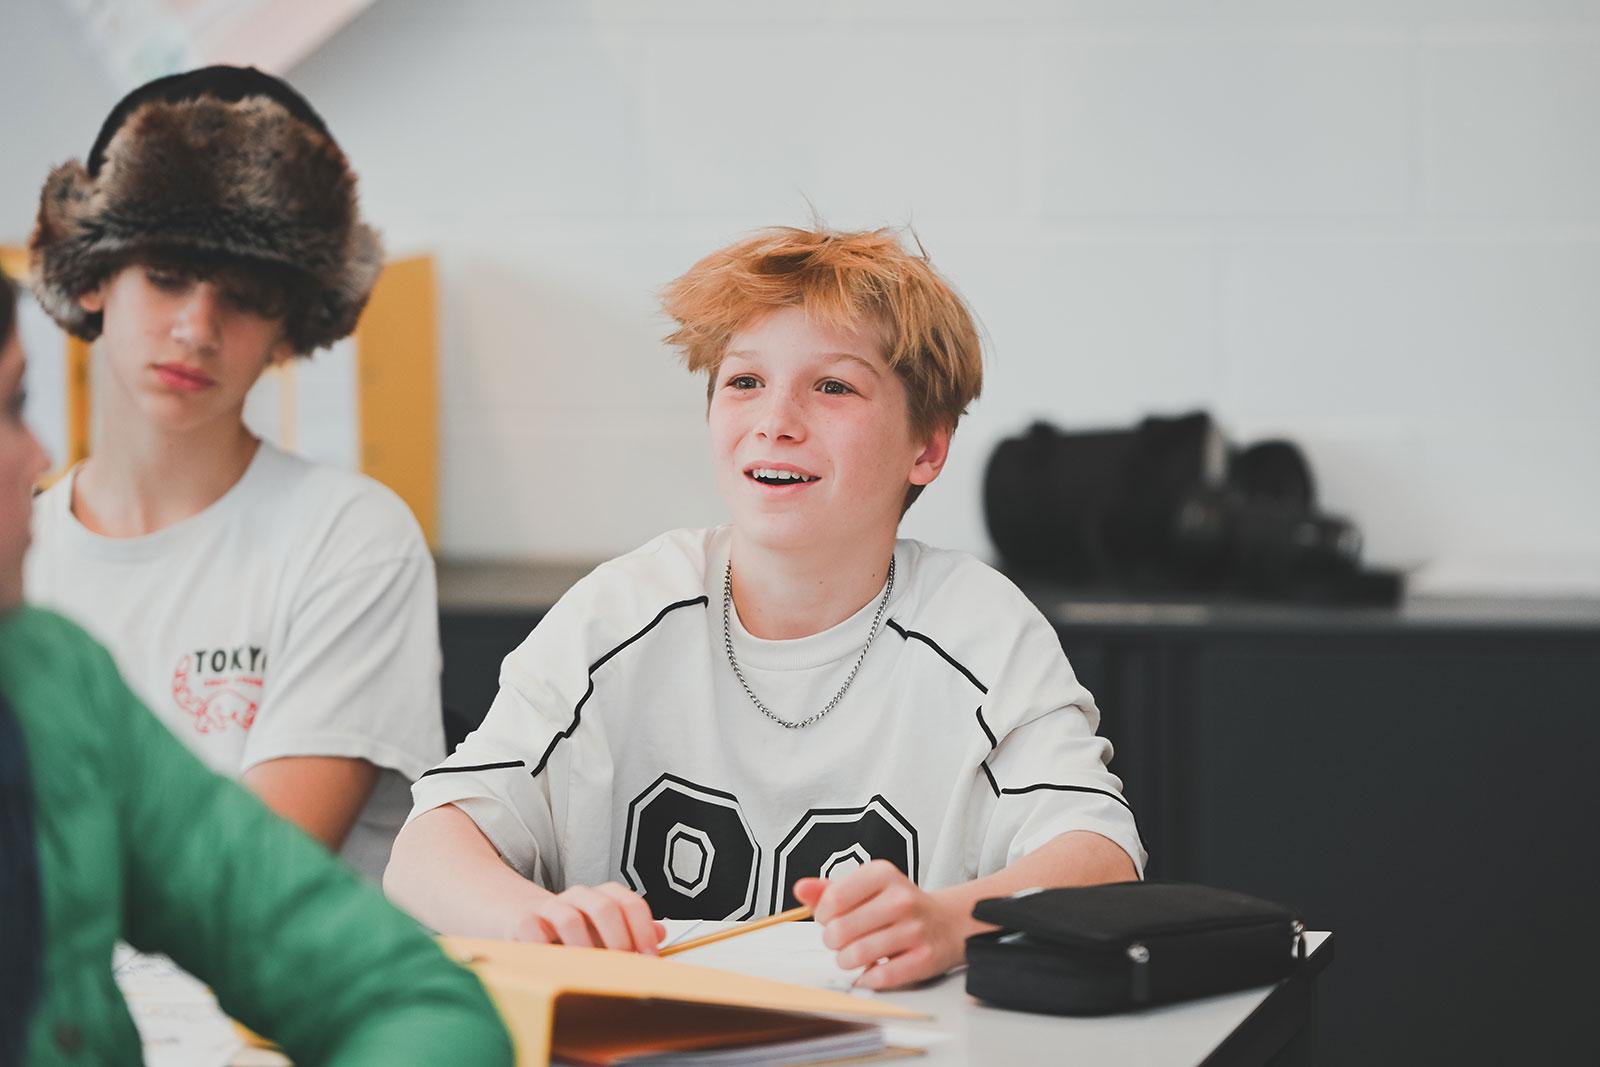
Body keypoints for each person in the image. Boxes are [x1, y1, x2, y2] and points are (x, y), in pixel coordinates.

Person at [386, 226, 1145, 990]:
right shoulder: (620, 612)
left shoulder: (981, 630)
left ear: (927, 447)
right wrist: (529, 916)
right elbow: (427, 849)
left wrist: (953, 922)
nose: (775, 419)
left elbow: (1102, 857)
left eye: (834, 386)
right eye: (745, 381)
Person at [0, 267, 513, 1065]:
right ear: (95, 278)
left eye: (243, 292)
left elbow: (392, 987)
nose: (35, 454)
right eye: (10, 408)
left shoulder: (52, 673)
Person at [24, 66, 440, 880]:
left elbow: (245, 881)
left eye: (244, 296)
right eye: (168, 276)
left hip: (270, 1007)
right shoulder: (19, 546)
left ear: (290, 327)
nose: (197, 327)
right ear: (96, 275)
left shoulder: (351, 540)